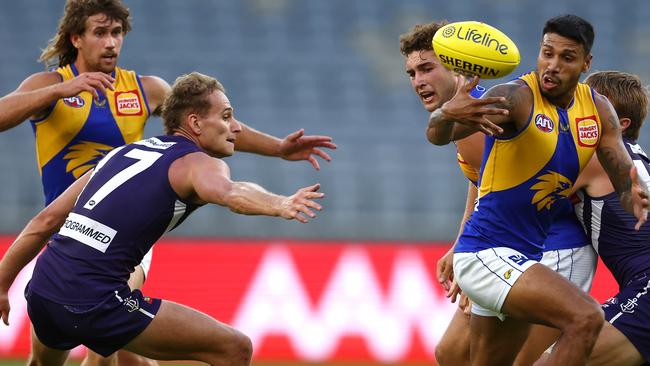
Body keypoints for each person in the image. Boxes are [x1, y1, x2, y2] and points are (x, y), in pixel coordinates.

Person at [0, 1, 335, 365]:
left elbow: (212, 125)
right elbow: (215, 151)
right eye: (101, 33)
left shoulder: (145, 89)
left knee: (105, 350)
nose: (111, 43)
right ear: (76, 38)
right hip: (72, 228)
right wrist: (56, 93)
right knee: (106, 349)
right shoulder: (51, 85)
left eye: (117, 33)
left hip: (121, 242)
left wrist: (278, 148)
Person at [426, 14, 649, 365]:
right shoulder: (515, 97)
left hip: (523, 257)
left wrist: (635, 197)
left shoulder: (597, 109)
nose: (553, 65)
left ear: (586, 63)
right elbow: (438, 136)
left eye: (567, 57)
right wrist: (445, 114)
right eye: (547, 53)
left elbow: (623, 178)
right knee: (585, 317)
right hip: (487, 252)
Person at [399, 20, 597, 366]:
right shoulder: (467, 120)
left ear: (457, 66)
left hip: (552, 249)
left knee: (519, 361)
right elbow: (482, 183)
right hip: (506, 248)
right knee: (452, 353)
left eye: (427, 68)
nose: (418, 81)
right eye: (412, 73)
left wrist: (482, 262)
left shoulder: (489, 113)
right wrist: (461, 243)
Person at [555, 71, 649, 366]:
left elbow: (522, 197)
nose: (575, 115)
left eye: (587, 109)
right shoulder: (641, 158)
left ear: (620, 125)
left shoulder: (595, 159)